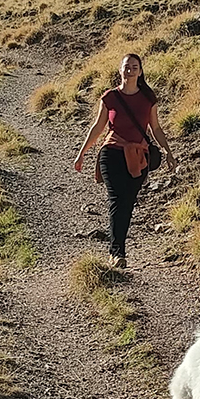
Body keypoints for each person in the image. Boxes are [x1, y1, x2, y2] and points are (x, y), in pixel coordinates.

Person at [73, 52, 176, 269]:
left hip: (138, 157)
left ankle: (117, 249)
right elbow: (98, 127)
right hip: (111, 153)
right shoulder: (110, 97)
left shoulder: (148, 98)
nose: (130, 70)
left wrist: (167, 151)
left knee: (127, 202)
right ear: (120, 70)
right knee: (116, 199)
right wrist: (82, 153)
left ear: (140, 71)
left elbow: (156, 128)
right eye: (126, 67)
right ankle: (117, 252)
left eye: (134, 67)